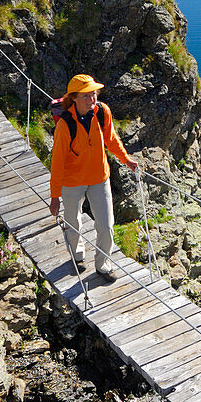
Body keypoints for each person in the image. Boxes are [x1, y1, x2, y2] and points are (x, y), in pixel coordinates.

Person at [49, 74, 138, 282]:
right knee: (73, 222)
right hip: (72, 181)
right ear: (73, 99)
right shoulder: (64, 126)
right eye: (86, 96)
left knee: (106, 225)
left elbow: (111, 139)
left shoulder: (102, 112)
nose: (92, 99)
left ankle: (103, 264)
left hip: (99, 177)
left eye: (94, 94)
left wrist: (126, 160)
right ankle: (78, 255)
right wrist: (55, 197)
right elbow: (58, 162)